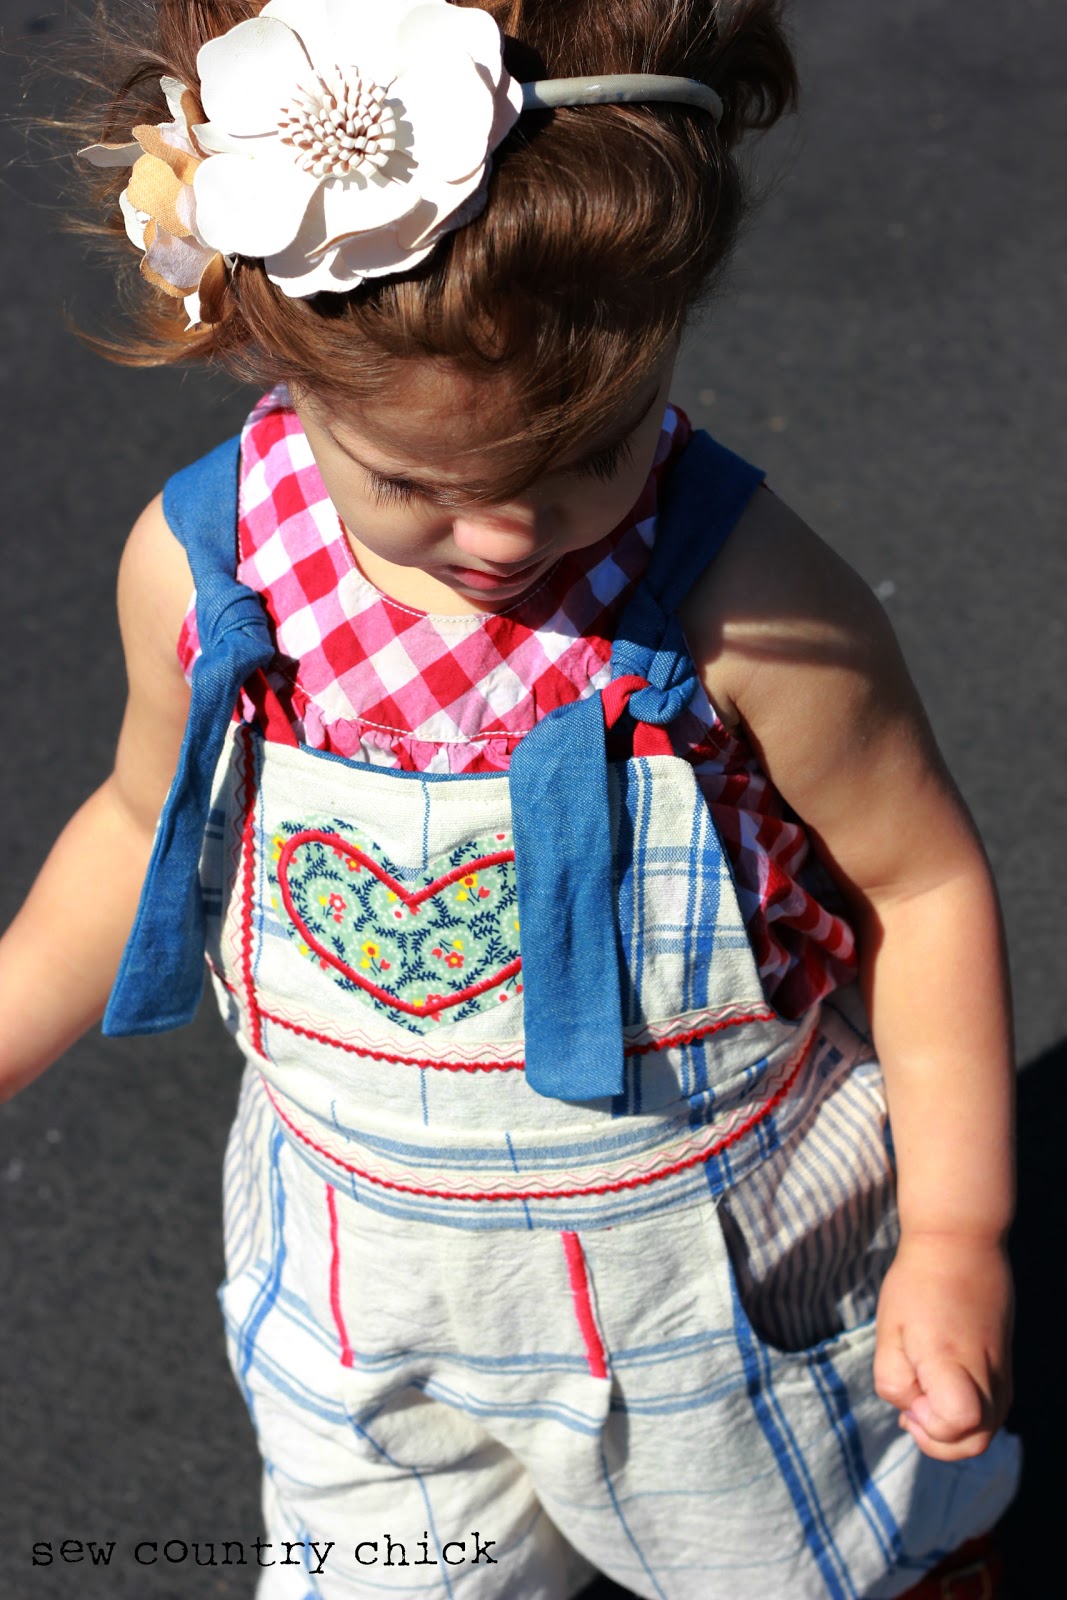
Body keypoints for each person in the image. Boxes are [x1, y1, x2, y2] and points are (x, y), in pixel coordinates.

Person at [0, 1, 1021, 1596]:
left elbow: (922, 886)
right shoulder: (212, 566)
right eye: (416, 484)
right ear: (273, 352)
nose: (503, 537)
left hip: (705, 1275)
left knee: (809, 1559)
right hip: (369, 1294)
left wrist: (958, 1236)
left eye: (588, 453)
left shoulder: (737, 600)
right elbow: (139, 825)